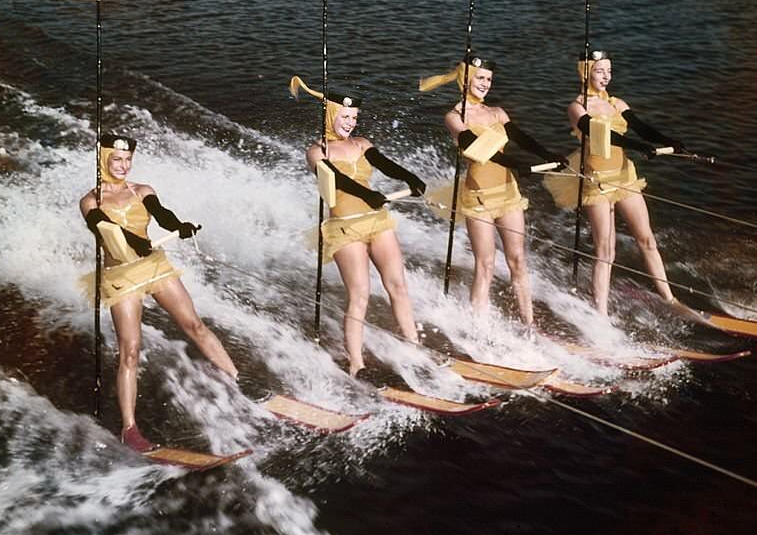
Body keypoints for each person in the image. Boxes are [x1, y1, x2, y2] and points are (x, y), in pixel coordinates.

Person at [79, 132, 237, 452]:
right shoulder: (91, 201)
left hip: (155, 266)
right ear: (103, 161)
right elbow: (102, 227)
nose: (123, 166)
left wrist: (179, 225)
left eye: (127, 161)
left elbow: (161, 213)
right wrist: (132, 241)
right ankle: (130, 429)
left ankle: (236, 381)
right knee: (131, 351)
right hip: (121, 276)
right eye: (116, 160)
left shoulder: (142, 190)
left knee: (195, 325)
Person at [290, 76, 426, 378]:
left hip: (377, 221)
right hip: (345, 229)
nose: (350, 123)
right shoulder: (316, 151)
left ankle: (414, 347)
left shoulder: (363, 144)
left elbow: (385, 163)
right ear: (330, 114)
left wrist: (410, 178)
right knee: (360, 294)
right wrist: (367, 194)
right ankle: (356, 364)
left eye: (354, 118)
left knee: (398, 286)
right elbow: (335, 178)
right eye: (345, 116)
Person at [420, 55, 564, 328]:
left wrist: (548, 154)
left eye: (489, 79)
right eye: (480, 78)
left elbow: (521, 137)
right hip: (479, 198)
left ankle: (529, 324)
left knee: (518, 260)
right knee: (485, 264)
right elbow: (478, 149)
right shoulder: (454, 118)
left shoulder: (497, 113)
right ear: (465, 80)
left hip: (508, 193)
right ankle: (479, 329)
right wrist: (517, 163)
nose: (485, 84)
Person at [544, 50, 684, 314]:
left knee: (647, 239)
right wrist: (638, 145)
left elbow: (641, 127)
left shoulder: (617, 103)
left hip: (624, 177)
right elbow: (603, 135)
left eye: (609, 71)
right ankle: (601, 313)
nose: (606, 76)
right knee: (605, 250)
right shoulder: (577, 108)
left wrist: (667, 141)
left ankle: (670, 299)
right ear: (586, 73)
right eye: (599, 71)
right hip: (597, 182)